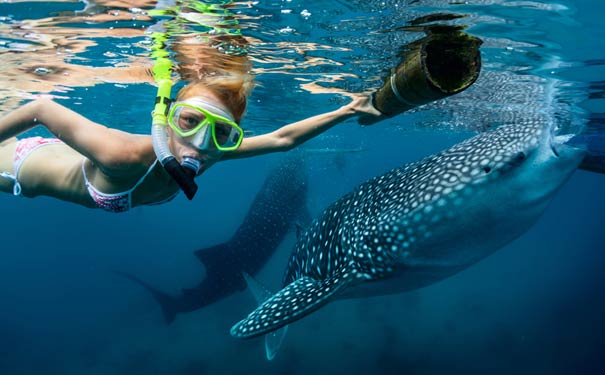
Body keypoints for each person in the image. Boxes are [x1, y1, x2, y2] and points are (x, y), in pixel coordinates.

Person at [0, 74, 381, 213]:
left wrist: (347, 110)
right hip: (17, 166)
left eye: (222, 132)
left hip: (59, 156)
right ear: (166, 116)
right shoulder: (122, 153)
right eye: (189, 121)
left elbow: (282, 139)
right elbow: (41, 107)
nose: (197, 145)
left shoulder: (214, 153)